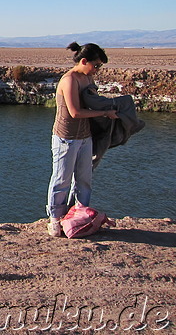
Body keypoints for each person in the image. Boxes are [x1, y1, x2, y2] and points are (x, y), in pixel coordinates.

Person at [46, 43, 118, 237]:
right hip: (66, 138)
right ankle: (55, 218)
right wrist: (105, 112)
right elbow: (75, 112)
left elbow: (92, 100)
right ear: (84, 61)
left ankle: (80, 213)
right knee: (62, 179)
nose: (97, 70)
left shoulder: (87, 78)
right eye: (96, 65)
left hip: (85, 137)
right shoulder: (69, 80)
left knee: (84, 179)